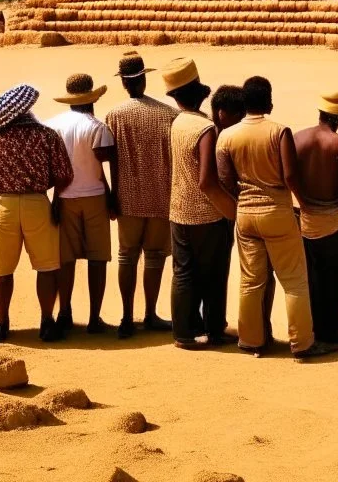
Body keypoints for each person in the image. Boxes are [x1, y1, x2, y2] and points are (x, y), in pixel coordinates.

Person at [216, 74, 320, 359]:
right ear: (269, 101)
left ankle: (251, 341)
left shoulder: (227, 135)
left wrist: (241, 201)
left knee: (251, 281)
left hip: (245, 213)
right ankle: (302, 343)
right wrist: (305, 204)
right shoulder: (279, 130)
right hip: (276, 210)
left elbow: (224, 178)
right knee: (294, 280)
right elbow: (289, 175)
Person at [0, 83, 73, 343]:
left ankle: (2, 324)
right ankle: (46, 321)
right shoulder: (47, 135)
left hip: (5, 205)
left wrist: (5, 188)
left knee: (3, 270)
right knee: (46, 267)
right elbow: (64, 174)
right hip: (38, 204)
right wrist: (53, 199)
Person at [164, 58, 236, 349]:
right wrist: (230, 210)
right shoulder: (206, 129)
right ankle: (214, 329)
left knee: (183, 272)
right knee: (214, 274)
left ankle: (183, 332)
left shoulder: (177, 122)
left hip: (179, 209)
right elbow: (207, 180)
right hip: (207, 213)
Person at [105, 51, 176, 338]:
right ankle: (149, 313)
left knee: (127, 257)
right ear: (144, 78)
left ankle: (125, 316)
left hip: (127, 197)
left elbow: (110, 159)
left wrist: (112, 194)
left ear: (123, 81)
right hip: (161, 196)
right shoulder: (168, 114)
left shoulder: (114, 115)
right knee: (155, 257)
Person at [47, 72, 115, 335]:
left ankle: (65, 312)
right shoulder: (97, 127)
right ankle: (94, 318)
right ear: (92, 97)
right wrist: (111, 194)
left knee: (66, 260)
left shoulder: (53, 125)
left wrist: (54, 196)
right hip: (94, 195)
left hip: (64, 198)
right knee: (98, 258)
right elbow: (103, 165)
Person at [211, 83, 277, 339]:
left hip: (237, 213)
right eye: (237, 115)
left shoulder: (229, 134)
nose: (241, 120)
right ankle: (251, 329)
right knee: (250, 274)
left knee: (251, 274)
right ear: (221, 113)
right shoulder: (219, 137)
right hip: (233, 213)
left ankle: (256, 329)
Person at [294, 91, 338, 349]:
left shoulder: (297, 138)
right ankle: (330, 332)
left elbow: (289, 175)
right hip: (333, 219)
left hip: (305, 216)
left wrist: (302, 202)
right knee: (335, 278)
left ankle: (310, 328)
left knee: (310, 277)